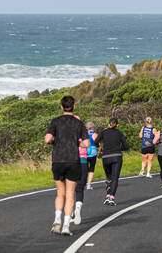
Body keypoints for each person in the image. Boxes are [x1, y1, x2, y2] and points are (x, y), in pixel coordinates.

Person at [44, 96, 91, 236]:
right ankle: (65, 226)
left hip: (58, 160)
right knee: (71, 194)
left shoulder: (55, 121)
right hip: (73, 160)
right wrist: (76, 143)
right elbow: (87, 144)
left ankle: (56, 220)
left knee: (60, 193)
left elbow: (47, 139)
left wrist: (56, 141)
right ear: (74, 107)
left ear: (61, 107)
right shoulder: (79, 124)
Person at [95, 117, 129, 206]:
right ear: (117, 125)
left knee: (109, 178)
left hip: (106, 157)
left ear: (108, 124)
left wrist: (101, 148)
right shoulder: (120, 133)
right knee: (115, 178)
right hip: (117, 156)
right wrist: (119, 148)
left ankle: (107, 196)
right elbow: (126, 146)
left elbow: (95, 141)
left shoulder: (103, 132)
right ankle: (111, 198)